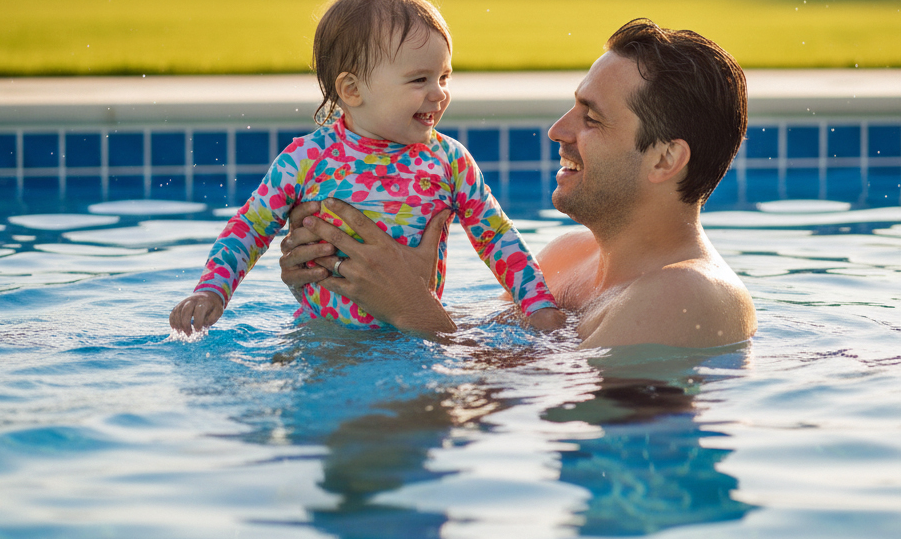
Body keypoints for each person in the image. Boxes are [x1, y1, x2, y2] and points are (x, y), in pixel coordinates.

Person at [279, 19, 758, 349]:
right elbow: (487, 356)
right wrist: (358, 281)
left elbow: (553, 412)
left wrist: (409, 307)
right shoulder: (567, 256)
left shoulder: (688, 296)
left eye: (591, 119)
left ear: (665, 159)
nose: (558, 130)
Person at [169, 0, 562, 334]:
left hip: (414, 334)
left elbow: (496, 236)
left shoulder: (449, 161)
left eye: (444, 77)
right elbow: (250, 228)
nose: (439, 93)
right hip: (321, 340)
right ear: (353, 90)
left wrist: (538, 306)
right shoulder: (306, 160)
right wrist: (212, 291)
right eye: (419, 79)